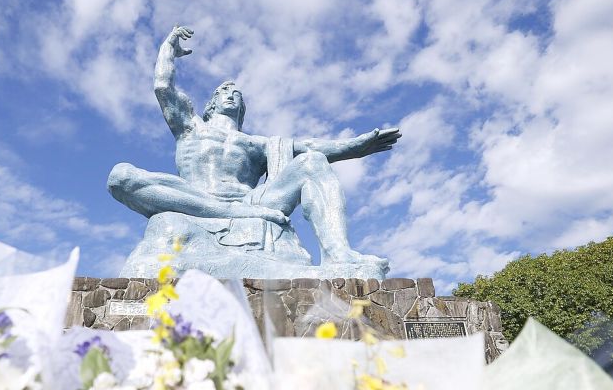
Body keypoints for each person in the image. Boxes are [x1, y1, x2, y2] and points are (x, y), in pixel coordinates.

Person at [108, 25, 398, 270]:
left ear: (243, 108)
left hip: (252, 203)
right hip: (195, 197)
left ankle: (338, 254)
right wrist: (168, 47)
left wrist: (356, 147)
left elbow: (309, 145)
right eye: (223, 91)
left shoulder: (256, 144)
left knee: (312, 161)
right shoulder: (191, 127)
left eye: (237, 93)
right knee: (121, 176)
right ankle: (223, 212)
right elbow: (163, 87)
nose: (230, 94)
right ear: (211, 104)